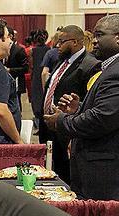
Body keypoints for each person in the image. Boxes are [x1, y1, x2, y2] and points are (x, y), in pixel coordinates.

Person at [45, 14, 119, 200]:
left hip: (105, 172)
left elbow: (102, 118)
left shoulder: (115, 71)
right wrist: (78, 110)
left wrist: (62, 120)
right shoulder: (109, 67)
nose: (93, 41)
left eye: (100, 35)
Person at [38, 25, 100, 184]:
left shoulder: (90, 65)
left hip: (69, 133)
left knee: (66, 179)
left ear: (74, 42)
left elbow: (90, 104)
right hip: (50, 128)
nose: (57, 45)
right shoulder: (62, 61)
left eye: (61, 41)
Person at [29, 29, 50, 130]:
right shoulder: (48, 50)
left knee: (36, 99)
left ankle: (38, 123)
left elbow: (31, 65)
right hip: (44, 75)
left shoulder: (33, 50)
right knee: (43, 97)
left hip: (36, 75)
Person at [4, 27, 29, 112]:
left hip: (16, 82)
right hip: (4, 82)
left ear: (10, 36)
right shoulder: (0, 49)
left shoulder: (19, 50)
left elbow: (26, 68)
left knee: (16, 103)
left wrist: (10, 70)